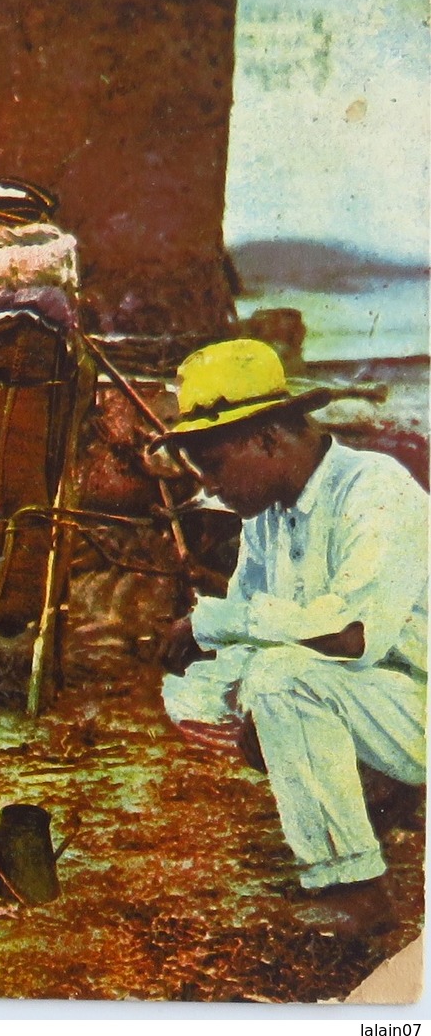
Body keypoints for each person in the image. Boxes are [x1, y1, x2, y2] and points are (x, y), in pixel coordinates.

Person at [155, 339, 427, 936]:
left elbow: (352, 634)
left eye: (216, 467)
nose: (212, 489)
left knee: (281, 680)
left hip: (418, 702)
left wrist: (215, 626)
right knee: (199, 690)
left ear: (268, 440)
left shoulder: (374, 488)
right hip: (366, 700)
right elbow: (256, 619)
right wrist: (237, 682)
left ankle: (357, 892)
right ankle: (375, 800)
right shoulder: (269, 515)